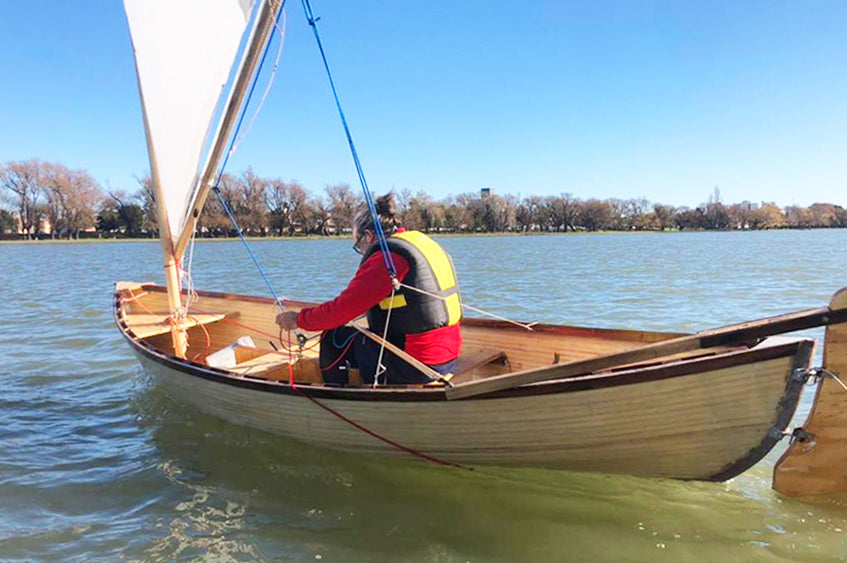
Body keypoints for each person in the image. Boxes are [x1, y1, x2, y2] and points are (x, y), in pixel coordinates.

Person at [275, 193, 462, 386]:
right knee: (358, 337)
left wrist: (299, 319)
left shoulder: (387, 258)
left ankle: (337, 396)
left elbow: (341, 310)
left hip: (416, 365)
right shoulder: (420, 243)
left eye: (359, 245)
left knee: (333, 338)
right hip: (448, 357)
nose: (362, 252)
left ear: (368, 236)